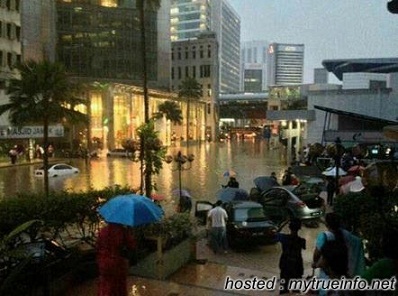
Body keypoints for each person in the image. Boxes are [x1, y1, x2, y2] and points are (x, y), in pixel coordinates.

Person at [312, 213, 351, 296]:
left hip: (328, 274)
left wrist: (315, 263)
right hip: (344, 271)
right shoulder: (347, 234)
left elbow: (316, 254)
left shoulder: (324, 236)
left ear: (326, 223)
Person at [96, 223, 136, 296]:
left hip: (103, 261)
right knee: (118, 285)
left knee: (105, 284)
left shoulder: (103, 231)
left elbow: (98, 245)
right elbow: (131, 245)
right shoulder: (122, 231)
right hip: (117, 262)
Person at [275, 218, 306, 295]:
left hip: (285, 264)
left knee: (284, 288)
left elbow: (276, 234)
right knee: (296, 289)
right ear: (299, 228)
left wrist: (285, 222)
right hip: (297, 265)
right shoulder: (302, 241)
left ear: (289, 227)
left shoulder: (284, 238)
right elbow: (303, 248)